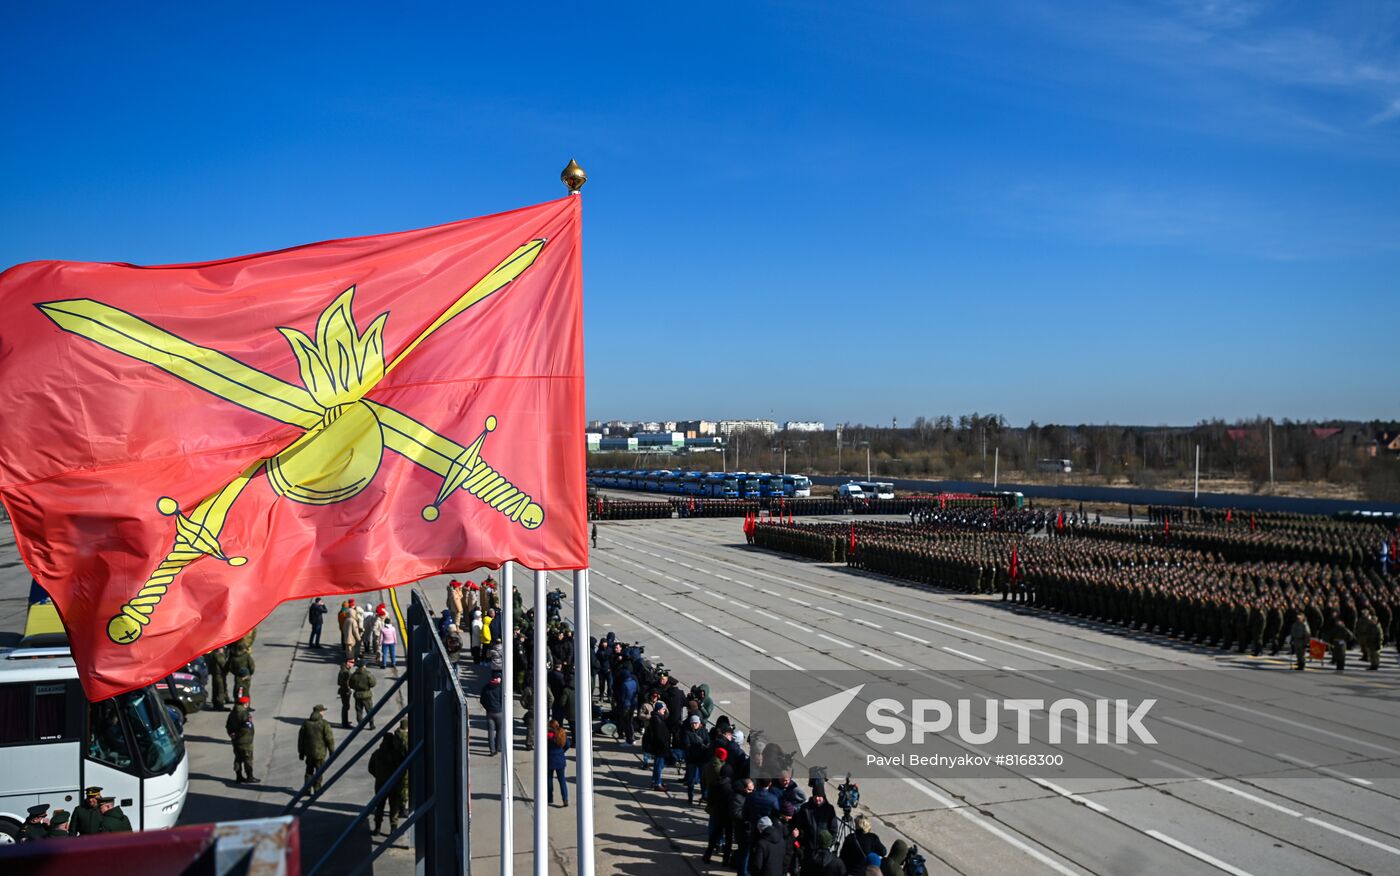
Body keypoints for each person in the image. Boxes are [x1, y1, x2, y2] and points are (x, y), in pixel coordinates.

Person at [368, 723, 408, 835]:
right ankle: (393, 828)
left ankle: (377, 828)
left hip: (380, 784)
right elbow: (402, 768)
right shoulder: (396, 755)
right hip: (394, 784)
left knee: (379, 806)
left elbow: (371, 768)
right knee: (394, 806)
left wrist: (379, 776)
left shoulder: (376, 754)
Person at [298, 704, 335, 793]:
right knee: (319, 771)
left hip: (309, 753)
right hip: (320, 754)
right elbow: (329, 739)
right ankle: (317, 789)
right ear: (320, 712)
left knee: (309, 771)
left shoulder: (306, 723)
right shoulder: (324, 724)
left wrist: (301, 752)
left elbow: (301, 739)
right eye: (323, 711)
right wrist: (332, 752)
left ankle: (306, 789)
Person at [226, 695, 260, 783]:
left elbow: (228, 725)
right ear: (245, 703)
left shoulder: (232, 713)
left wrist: (232, 734)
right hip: (245, 741)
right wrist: (238, 735)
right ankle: (250, 776)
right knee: (248, 759)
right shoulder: (245, 714)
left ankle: (239, 777)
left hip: (235, 741)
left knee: (238, 758)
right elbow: (246, 728)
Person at [680, 713, 710, 805]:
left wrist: (704, 747)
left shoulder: (704, 731)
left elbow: (708, 742)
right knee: (691, 780)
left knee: (703, 779)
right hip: (692, 759)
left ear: (699, 723)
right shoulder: (687, 733)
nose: (694, 725)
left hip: (702, 759)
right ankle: (690, 797)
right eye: (692, 723)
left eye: (695, 723)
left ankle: (704, 796)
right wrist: (697, 747)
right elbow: (686, 745)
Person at [643, 700, 671, 790]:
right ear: (659, 710)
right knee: (659, 766)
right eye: (663, 709)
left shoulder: (657, 718)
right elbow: (659, 736)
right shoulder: (657, 720)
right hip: (660, 748)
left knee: (657, 766)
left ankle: (654, 781)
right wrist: (664, 744)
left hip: (659, 747)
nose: (664, 711)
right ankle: (657, 783)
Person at [480, 671, 505, 756]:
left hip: (489, 712)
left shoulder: (485, 687)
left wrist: (487, 707)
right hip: (499, 712)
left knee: (490, 732)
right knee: (499, 730)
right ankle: (498, 747)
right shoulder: (500, 688)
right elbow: (503, 700)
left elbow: (482, 700)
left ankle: (492, 750)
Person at [547, 719, 569, 806]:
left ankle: (550, 797)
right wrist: (561, 751)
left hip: (550, 759)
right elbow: (567, 744)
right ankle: (565, 799)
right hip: (560, 759)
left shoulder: (548, 736)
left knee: (549, 779)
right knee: (562, 780)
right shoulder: (562, 734)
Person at [350, 661, 378, 727]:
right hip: (366, 694)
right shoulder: (368, 674)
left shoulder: (354, 675)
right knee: (369, 710)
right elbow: (373, 683)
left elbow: (351, 685)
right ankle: (371, 724)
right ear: (364, 666)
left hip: (357, 694)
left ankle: (360, 725)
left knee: (359, 711)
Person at [228, 639, 255, 703]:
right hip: (246, 676)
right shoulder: (246, 656)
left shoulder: (234, 656)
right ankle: (246, 705)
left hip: (237, 676)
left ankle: (237, 703)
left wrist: (235, 673)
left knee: (238, 690)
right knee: (246, 691)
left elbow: (230, 667)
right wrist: (250, 673)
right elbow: (252, 666)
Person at [207, 645, 229, 710]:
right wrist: (227, 670)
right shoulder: (218, 655)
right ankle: (220, 704)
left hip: (215, 674)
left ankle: (215, 704)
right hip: (219, 674)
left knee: (215, 689)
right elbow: (223, 664)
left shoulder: (212, 654)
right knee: (220, 689)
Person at [337, 658, 355, 727]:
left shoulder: (344, 669)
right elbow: (345, 682)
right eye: (352, 662)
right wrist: (349, 688)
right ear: (347, 662)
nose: (353, 664)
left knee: (346, 706)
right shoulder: (345, 672)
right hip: (345, 691)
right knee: (345, 706)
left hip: (343, 690)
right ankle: (345, 723)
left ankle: (345, 721)